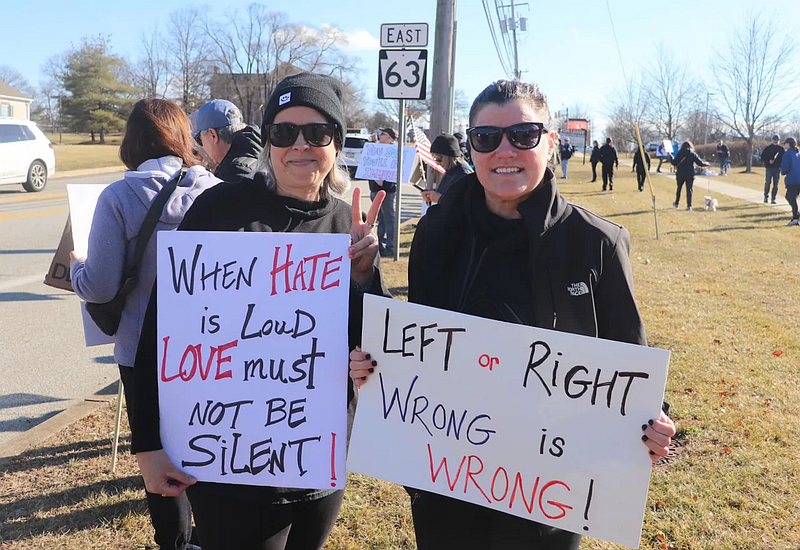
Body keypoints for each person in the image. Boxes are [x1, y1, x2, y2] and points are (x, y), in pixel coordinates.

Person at [350, 79, 676, 550]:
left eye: (523, 134)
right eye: (486, 138)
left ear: (551, 142)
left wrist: (656, 422)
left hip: (548, 493)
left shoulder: (596, 243)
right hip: (446, 480)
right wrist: (365, 284)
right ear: (471, 148)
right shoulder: (437, 233)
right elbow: (412, 341)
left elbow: (629, 361)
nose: (505, 149)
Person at [131, 72, 389, 550]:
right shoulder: (219, 209)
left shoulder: (345, 223)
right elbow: (160, 329)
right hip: (230, 464)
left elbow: (373, 347)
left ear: (335, 143)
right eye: (283, 131)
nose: (300, 145)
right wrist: (147, 443)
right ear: (267, 141)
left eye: (317, 133)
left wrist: (364, 275)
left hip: (318, 460)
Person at [70, 98, 222, 550]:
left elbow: (98, 287)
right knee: (210, 439)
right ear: (183, 137)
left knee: (156, 454)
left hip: (142, 351)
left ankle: (175, 542)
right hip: (209, 349)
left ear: (131, 142)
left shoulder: (119, 196)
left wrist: (78, 268)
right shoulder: (216, 190)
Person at [191, 99, 262, 182]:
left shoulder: (233, 175)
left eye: (199, 140)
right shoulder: (261, 154)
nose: (202, 147)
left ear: (213, 135)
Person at [368, 127, 398, 257]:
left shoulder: (395, 151)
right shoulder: (376, 149)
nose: (381, 135)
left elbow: (396, 173)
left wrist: (384, 182)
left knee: (389, 218)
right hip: (375, 189)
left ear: (390, 138)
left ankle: (391, 246)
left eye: (383, 134)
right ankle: (379, 245)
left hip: (387, 191)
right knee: (379, 218)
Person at [421, 133, 473, 204]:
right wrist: (432, 194)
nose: (437, 163)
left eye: (439, 159)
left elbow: (464, 205)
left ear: (448, 158)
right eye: (434, 159)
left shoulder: (463, 174)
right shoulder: (451, 171)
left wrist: (440, 199)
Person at [671, 141, 708, 211]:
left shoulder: (680, 153)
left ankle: (676, 203)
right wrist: (707, 164)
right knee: (689, 190)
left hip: (680, 173)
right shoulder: (692, 154)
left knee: (679, 189)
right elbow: (700, 163)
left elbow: (674, 162)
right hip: (689, 174)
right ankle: (689, 206)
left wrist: (671, 157)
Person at [780, 137, 800, 226]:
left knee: (790, 197)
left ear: (788, 144)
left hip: (792, 180)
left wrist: (783, 171)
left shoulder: (787, 154)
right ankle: (796, 215)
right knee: (792, 197)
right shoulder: (798, 153)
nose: (784, 145)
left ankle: (795, 218)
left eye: (785, 143)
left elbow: (785, 168)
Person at [761, 134, 784, 204]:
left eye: (777, 140)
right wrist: (768, 161)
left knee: (776, 184)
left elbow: (783, 159)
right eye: (775, 139)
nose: (776, 141)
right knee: (768, 183)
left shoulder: (781, 149)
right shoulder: (768, 148)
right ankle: (766, 196)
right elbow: (763, 157)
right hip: (769, 168)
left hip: (777, 169)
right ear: (772, 140)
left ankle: (773, 198)